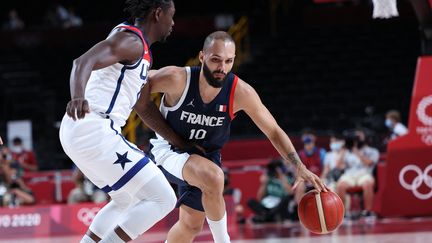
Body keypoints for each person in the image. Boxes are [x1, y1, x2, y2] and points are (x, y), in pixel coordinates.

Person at [147, 31, 327, 243]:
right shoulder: (177, 79)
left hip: (205, 156)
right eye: (215, 60)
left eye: (228, 61)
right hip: (169, 149)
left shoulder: (240, 91)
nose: (222, 68)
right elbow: (136, 84)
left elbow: (273, 130)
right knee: (214, 177)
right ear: (202, 57)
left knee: (190, 225)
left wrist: (298, 166)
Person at [59, 1, 183, 242]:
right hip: (94, 128)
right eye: (172, 16)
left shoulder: (138, 49)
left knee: (126, 199)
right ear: (158, 13)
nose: (173, 23)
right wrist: (77, 97)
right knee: (164, 199)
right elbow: (81, 62)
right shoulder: (132, 41)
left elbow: (144, 108)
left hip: (78, 132)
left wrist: (178, 141)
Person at [247, 159, 295, 223]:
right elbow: (259, 197)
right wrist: (263, 184)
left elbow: (291, 193)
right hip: (267, 205)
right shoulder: (268, 180)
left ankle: (266, 218)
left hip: (280, 206)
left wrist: (282, 177)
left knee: (286, 199)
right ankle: (269, 217)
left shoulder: (286, 179)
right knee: (250, 201)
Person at [295, 129, 326, 204]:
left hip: (319, 178)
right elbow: (298, 171)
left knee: (325, 184)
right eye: (306, 143)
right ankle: (298, 209)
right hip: (306, 180)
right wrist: (302, 180)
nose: (308, 145)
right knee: (299, 186)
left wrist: (321, 178)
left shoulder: (321, 152)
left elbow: (325, 168)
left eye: (310, 142)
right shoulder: (300, 154)